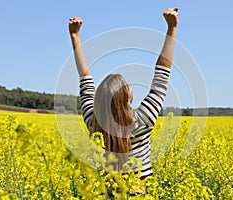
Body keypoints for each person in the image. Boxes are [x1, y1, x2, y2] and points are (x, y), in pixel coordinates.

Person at [69, 7, 178, 194]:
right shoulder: (143, 120)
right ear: (127, 97)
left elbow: (85, 81)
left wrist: (75, 37)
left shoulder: (93, 124)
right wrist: (172, 29)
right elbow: (162, 75)